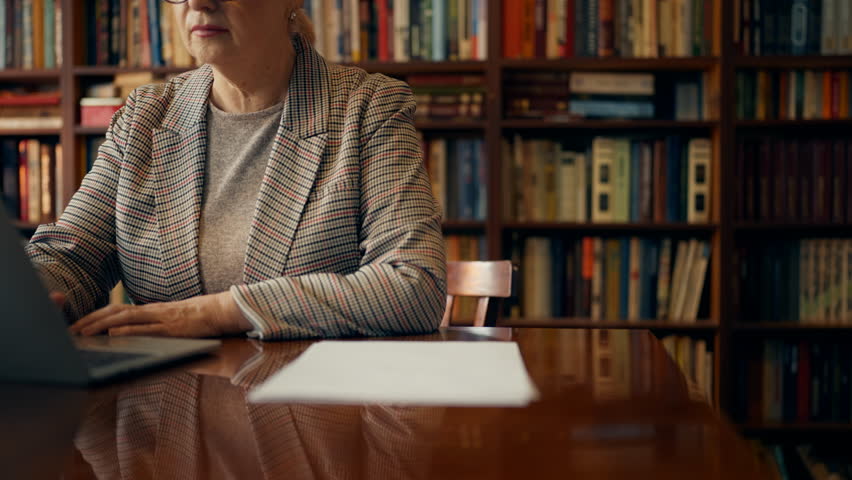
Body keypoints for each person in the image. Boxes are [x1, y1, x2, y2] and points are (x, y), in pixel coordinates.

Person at [25, 0, 446, 340]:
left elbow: (413, 286)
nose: (199, 3)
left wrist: (220, 313)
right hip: (160, 423)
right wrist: (28, 296)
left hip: (316, 420)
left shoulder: (369, 107)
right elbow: (72, 259)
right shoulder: (145, 116)